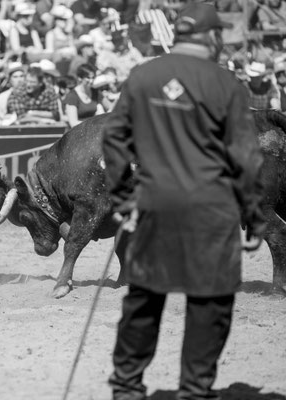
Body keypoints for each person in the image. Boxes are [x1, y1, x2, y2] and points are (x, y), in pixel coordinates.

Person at [101, 4, 266, 400]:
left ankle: (126, 387)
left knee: (143, 298)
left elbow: (113, 140)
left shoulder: (143, 76)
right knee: (209, 305)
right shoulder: (225, 83)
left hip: (152, 204)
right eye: (219, 37)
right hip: (212, 211)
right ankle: (194, 390)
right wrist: (253, 215)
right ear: (210, 37)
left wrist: (124, 197)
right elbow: (246, 158)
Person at [64, 63, 100, 127]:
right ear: (80, 78)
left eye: (93, 78)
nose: (91, 81)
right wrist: (93, 125)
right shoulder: (72, 96)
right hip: (77, 133)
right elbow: (73, 123)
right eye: (88, 78)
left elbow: (102, 114)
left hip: (93, 131)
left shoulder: (95, 92)